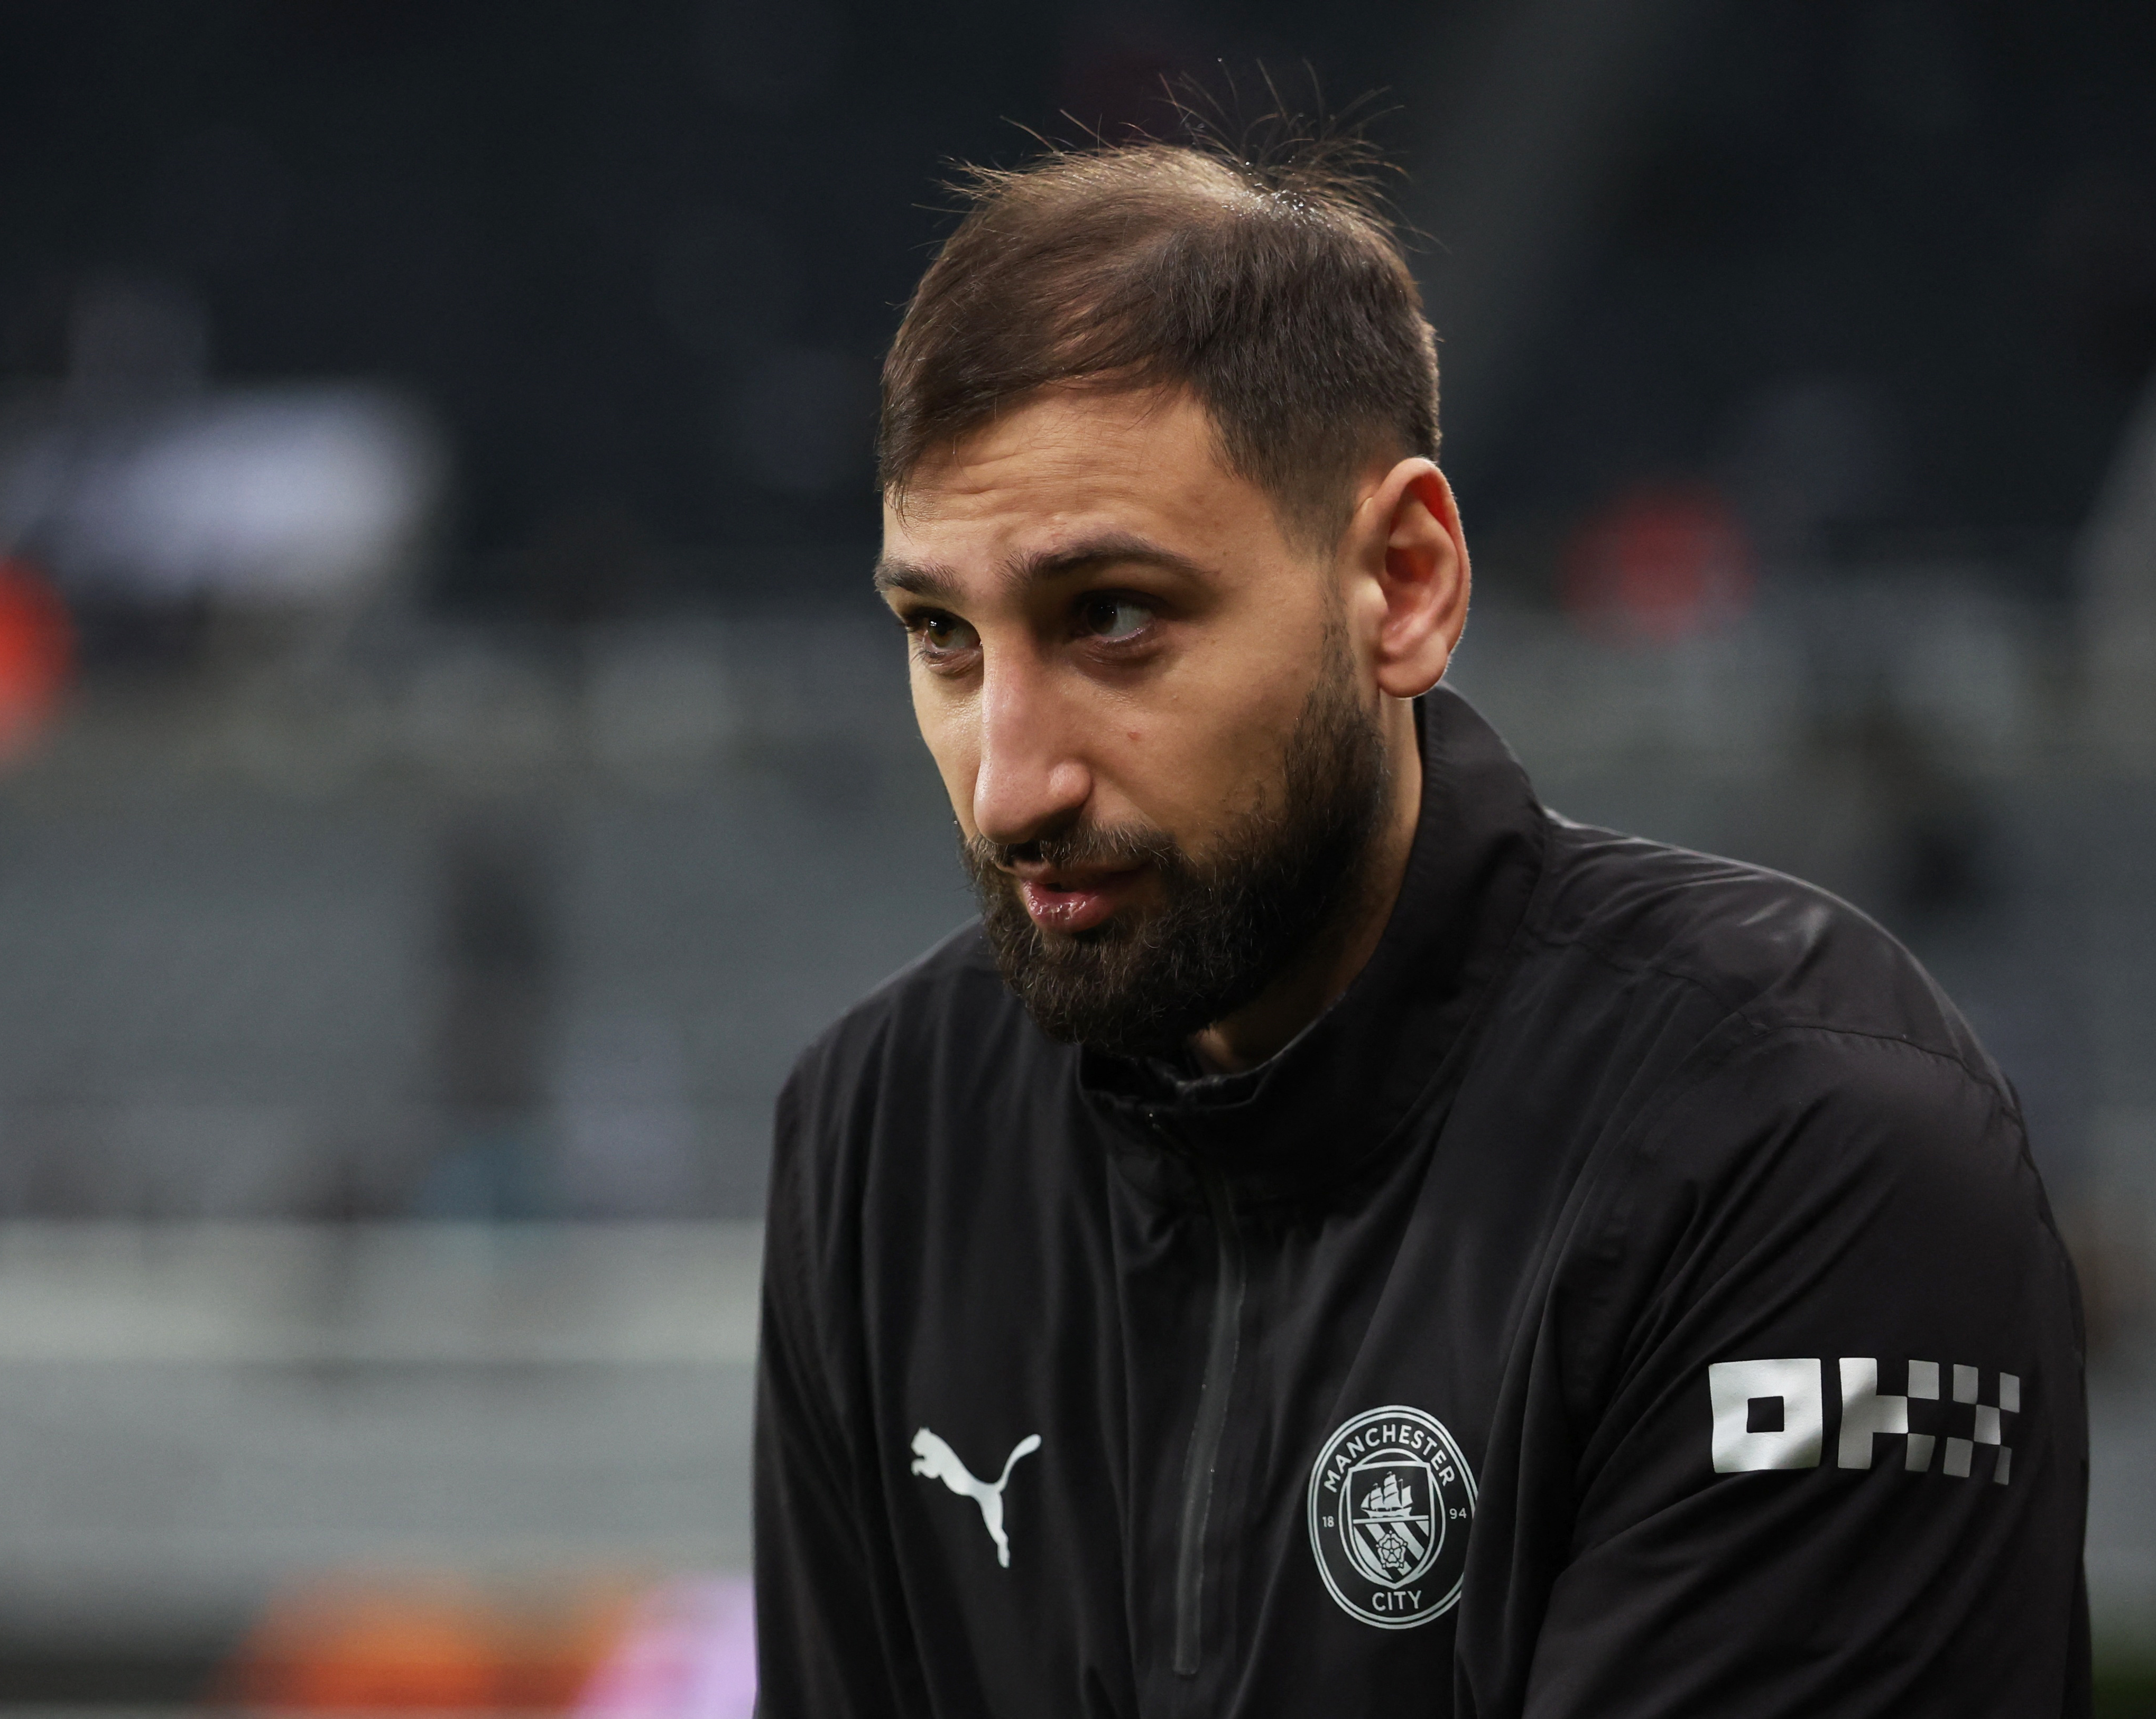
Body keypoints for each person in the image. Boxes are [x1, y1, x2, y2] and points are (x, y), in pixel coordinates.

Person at [752, 133, 2089, 1717]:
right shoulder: (883, 1134)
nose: (1006, 787)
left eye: (1112, 616)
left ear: (1402, 583)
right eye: (941, 637)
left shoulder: (1804, 1141)